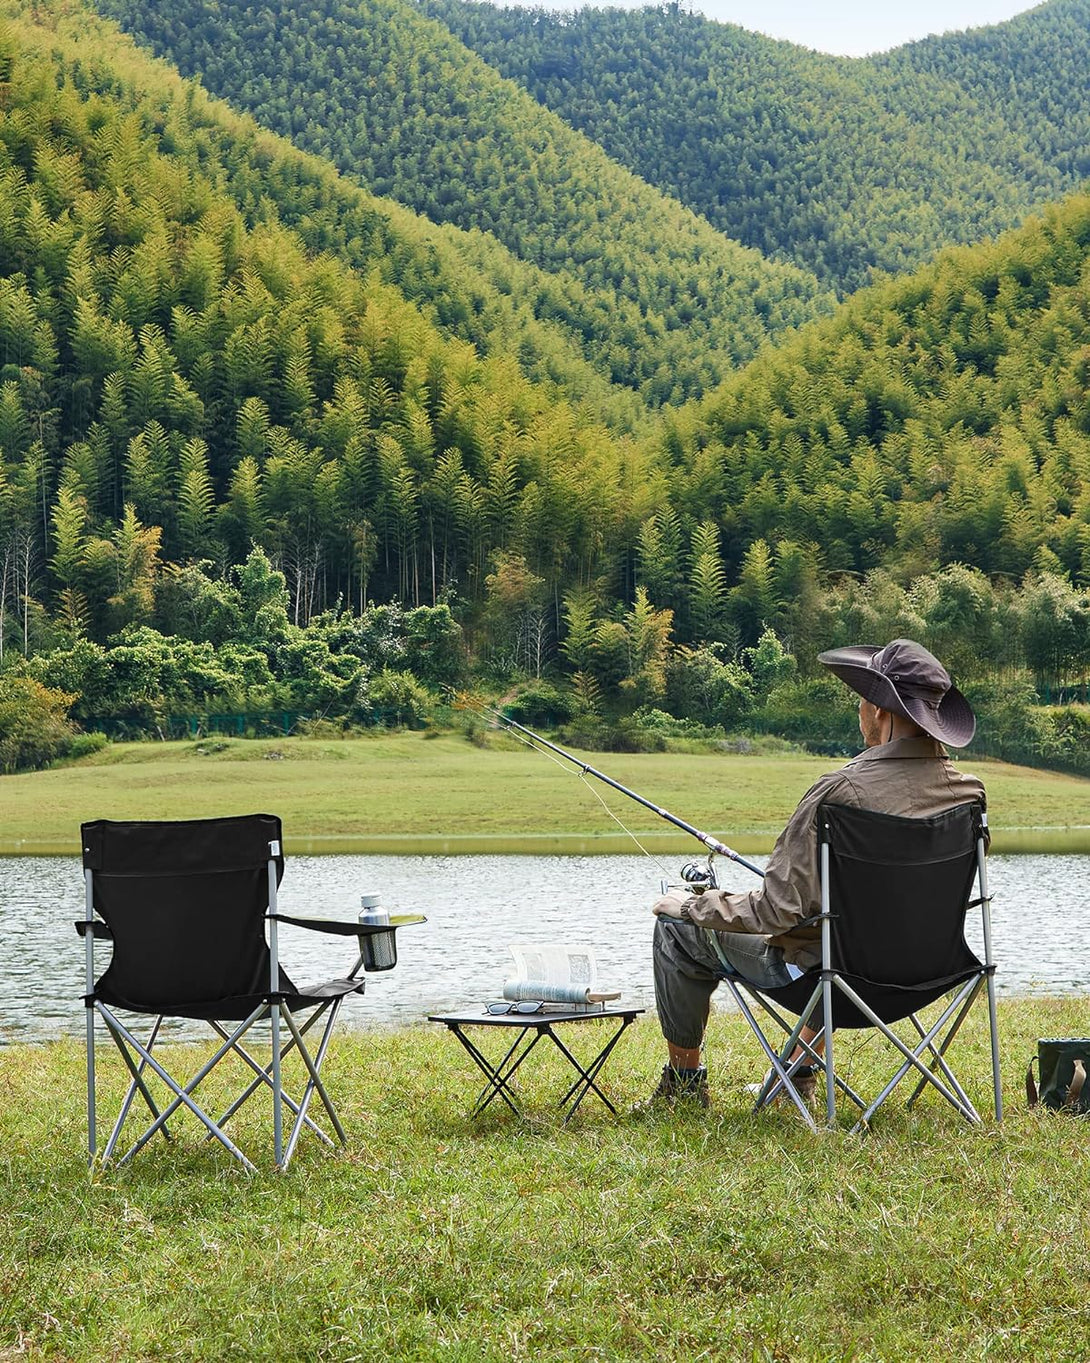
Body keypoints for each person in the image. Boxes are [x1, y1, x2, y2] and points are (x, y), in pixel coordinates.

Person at [647, 638, 987, 1108]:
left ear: (882, 712)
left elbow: (776, 911)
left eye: (864, 699)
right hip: (929, 979)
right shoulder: (969, 795)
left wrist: (691, 905)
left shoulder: (839, 793)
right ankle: (799, 1070)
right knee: (842, 930)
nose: (861, 709)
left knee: (676, 928)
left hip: (832, 982)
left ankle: (683, 1087)